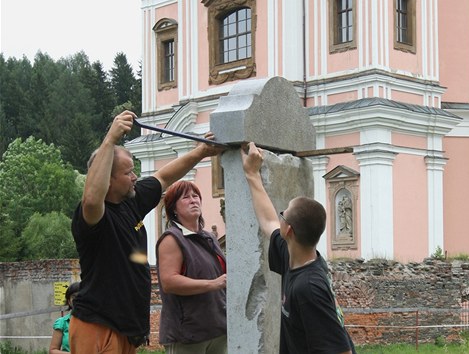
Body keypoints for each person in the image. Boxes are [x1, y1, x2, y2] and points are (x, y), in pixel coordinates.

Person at [70, 110, 224, 354]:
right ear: (107, 180)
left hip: (126, 330)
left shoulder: (132, 201)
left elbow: (163, 176)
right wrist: (110, 139)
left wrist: (201, 152)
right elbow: (91, 198)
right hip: (98, 326)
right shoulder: (93, 216)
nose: (134, 177)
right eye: (128, 172)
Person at [241, 142, 356, 354]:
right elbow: (268, 222)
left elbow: (342, 351)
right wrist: (251, 174)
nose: (280, 213)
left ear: (289, 231)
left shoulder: (309, 288)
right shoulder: (293, 256)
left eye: (284, 213)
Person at [156, 180, 227, 353]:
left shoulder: (209, 237)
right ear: (173, 208)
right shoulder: (171, 239)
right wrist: (213, 284)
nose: (193, 200)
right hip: (187, 335)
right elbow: (169, 282)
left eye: (196, 196)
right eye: (186, 198)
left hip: (218, 330)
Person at [49, 282, 80, 354]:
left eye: (81, 296)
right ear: (69, 301)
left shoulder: (94, 322)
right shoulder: (62, 323)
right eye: (74, 297)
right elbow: (53, 350)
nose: (78, 300)